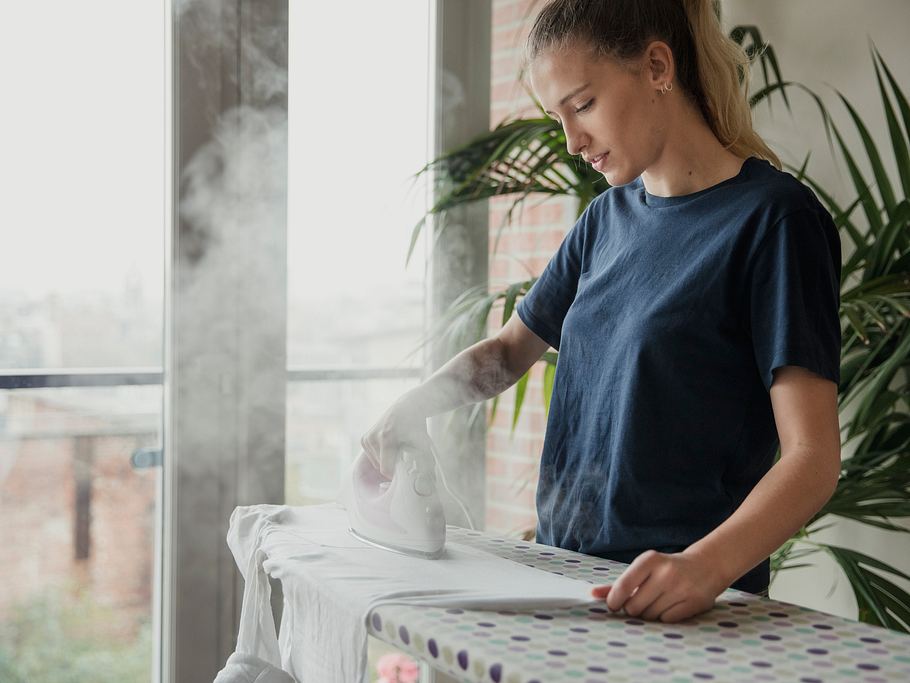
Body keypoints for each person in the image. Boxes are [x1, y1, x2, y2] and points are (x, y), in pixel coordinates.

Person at [361, 0, 842, 624]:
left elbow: (813, 459)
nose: (570, 141)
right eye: (556, 117)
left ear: (657, 67)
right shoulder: (603, 222)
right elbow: (509, 352)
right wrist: (411, 407)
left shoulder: (774, 220)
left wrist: (703, 566)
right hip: (568, 585)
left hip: (685, 607)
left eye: (582, 104)